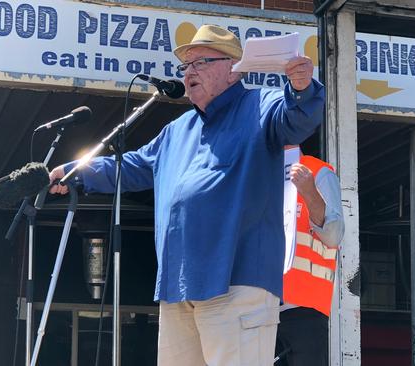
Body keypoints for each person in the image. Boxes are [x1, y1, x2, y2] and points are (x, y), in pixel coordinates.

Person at [49, 24, 324, 366]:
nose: (189, 72)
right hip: (179, 287)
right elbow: (131, 166)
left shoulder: (260, 105)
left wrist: (301, 88)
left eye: (200, 62)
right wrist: (76, 172)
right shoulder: (177, 130)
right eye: (185, 66)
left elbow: (300, 119)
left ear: (232, 68)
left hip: (237, 282)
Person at [278, 150, 344, 366]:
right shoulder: (256, 176)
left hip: (304, 310)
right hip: (259, 309)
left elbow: (334, 235)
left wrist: (310, 193)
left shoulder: (318, 172)